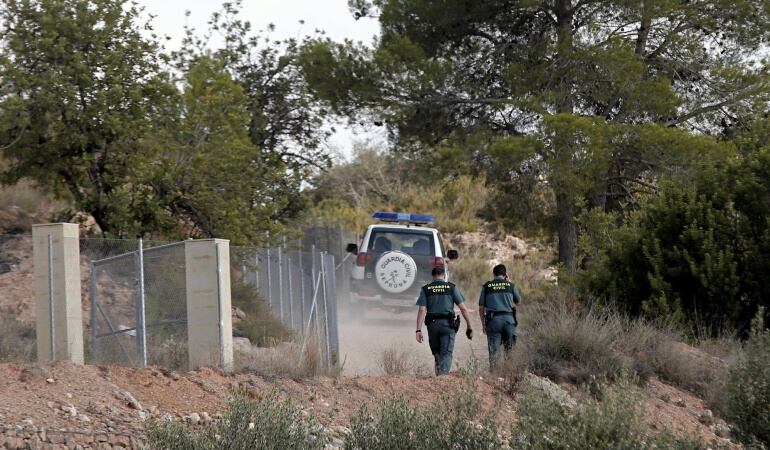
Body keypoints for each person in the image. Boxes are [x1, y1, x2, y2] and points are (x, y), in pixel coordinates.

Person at [415, 266, 473, 375]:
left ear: (432, 276)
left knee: (436, 353)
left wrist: (418, 330)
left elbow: (422, 310)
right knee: (446, 353)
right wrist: (469, 326)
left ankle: (438, 377)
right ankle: (442, 379)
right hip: (447, 325)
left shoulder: (426, 289)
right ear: (444, 275)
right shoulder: (451, 287)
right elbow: (463, 308)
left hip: (432, 326)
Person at [478, 264, 522, 368]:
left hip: (493, 321)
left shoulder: (487, 286)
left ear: (493, 274)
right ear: (505, 274)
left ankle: (495, 378)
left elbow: (481, 307)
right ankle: (509, 376)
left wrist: (483, 324)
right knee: (510, 352)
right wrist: (509, 282)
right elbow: (519, 302)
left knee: (494, 353)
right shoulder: (510, 285)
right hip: (509, 321)